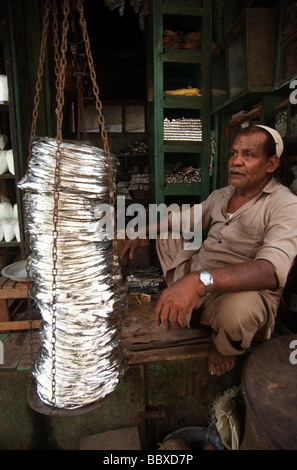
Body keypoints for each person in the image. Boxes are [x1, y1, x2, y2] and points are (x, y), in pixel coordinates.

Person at [121, 125, 297, 376]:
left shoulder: (286, 205)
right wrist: (142, 230)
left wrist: (199, 281)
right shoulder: (223, 195)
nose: (236, 161)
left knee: (237, 313)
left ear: (270, 164)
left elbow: (270, 271)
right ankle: (185, 296)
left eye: (248, 155)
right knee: (167, 231)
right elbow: (183, 219)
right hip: (200, 270)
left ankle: (225, 346)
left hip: (239, 292)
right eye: (233, 153)